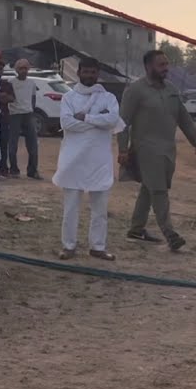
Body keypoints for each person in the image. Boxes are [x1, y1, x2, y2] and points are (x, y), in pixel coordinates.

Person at [118, 49, 196, 252]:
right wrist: (123, 149)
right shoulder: (135, 90)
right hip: (146, 149)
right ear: (148, 67)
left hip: (168, 150)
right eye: (161, 65)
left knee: (149, 188)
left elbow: (183, 118)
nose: (166, 69)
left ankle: (136, 229)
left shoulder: (171, 90)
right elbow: (123, 123)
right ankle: (170, 234)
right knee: (158, 190)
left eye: (167, 64)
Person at [52, 57, 123, 261]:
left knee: (100, 208)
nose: (89, 75)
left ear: (97, 74)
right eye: (86, 72)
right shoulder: (69, 98)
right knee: (71, 208)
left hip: (99, 161)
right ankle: (68, 246)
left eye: (93, 72)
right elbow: (67, 123)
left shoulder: (108, 98)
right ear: (79, 73)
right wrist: (97, 122)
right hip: (73, 159)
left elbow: (112, 120)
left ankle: (98, 247)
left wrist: (86, 118)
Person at [6, 58, 42, 179]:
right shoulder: (11, 82)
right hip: (14, 114)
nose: (23, 71)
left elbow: (33, 98)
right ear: (16, 70)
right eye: (21, 68)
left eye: (26, 68)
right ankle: (14, 170)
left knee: (33, 144)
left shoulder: (31, 83)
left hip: (28, 114)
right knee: (13, 144)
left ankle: (32, 171)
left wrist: (31, 109)